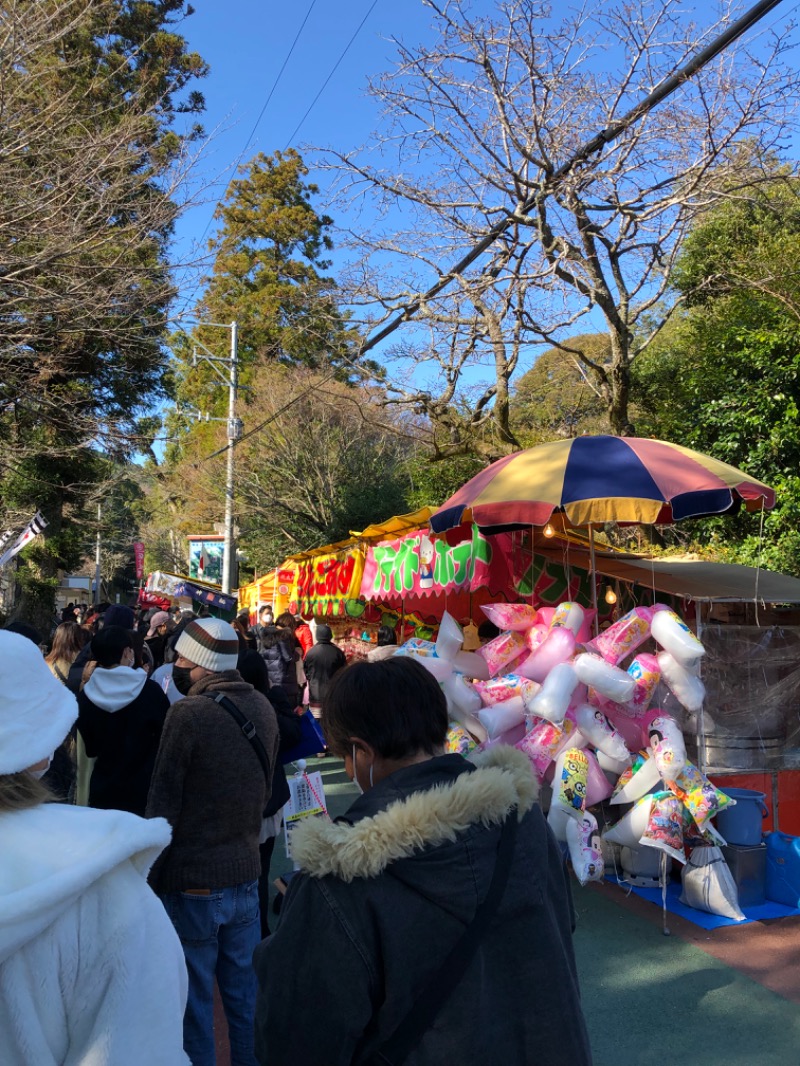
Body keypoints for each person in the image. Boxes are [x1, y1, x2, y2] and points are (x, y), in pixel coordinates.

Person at [253, 657, 592, 1066]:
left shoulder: (338, 879)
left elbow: (295, 1040)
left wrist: (295, 930)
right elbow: (559, 928)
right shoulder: (523, 819)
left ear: (361, 752)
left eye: (346, 757)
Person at [0, 631, 189, 1065]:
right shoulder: (106, 892)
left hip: (99, 791)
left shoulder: (87, 697)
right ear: (42, 743)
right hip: (129, 803)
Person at [146, 617, 279, 1066]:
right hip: (246, 873)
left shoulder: (187, 714)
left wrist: (151, 873)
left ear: (201, 663)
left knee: (195, 1003)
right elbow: (262, 795)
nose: (177, 665)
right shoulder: (262, 706)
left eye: (182, 658)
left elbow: (163, 804)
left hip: (192, 879)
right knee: (244, 997)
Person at [77, 625, 169, 816]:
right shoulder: (150, 691)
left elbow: (91, 748)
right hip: (144, 791)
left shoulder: (86, 695)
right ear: (127, 652)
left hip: (103, 790)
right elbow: (166, 738)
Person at [303, 623, 346, 721]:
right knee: (330, 722)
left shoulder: (311, 652)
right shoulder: (337, 652)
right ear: (330, 635)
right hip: (332, 694)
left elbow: (306, 671)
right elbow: (343, 671)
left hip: (315, 693)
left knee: (316, 723)